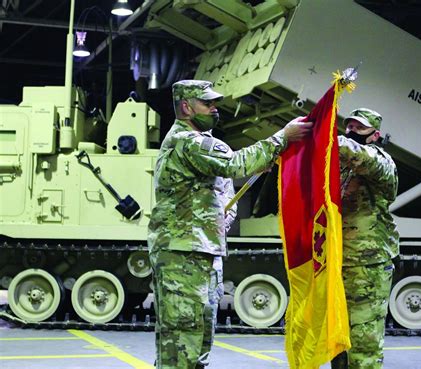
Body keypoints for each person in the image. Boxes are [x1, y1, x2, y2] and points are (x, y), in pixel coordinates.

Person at [147, 79, 312, 369]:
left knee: (199, 335)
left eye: (214, 103)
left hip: (198, 251)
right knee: (182, 340)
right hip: (182, 254)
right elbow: (235, 164)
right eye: (207, 103)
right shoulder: (189, 141)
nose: (214, 109)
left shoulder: (199, 145)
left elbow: (219, 190)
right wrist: (283, 137)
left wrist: (226, 215)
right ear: (186, 107)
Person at [331, 108, 399, 369]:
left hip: (367, 266)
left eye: (359, 127)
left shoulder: (380, 161)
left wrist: (324, 134)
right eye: (348, 126)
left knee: (364, 343)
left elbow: (357, 154)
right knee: (339, 342)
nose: (351, 131)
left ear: (375, 135)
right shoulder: (342, 169)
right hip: (339, 261)